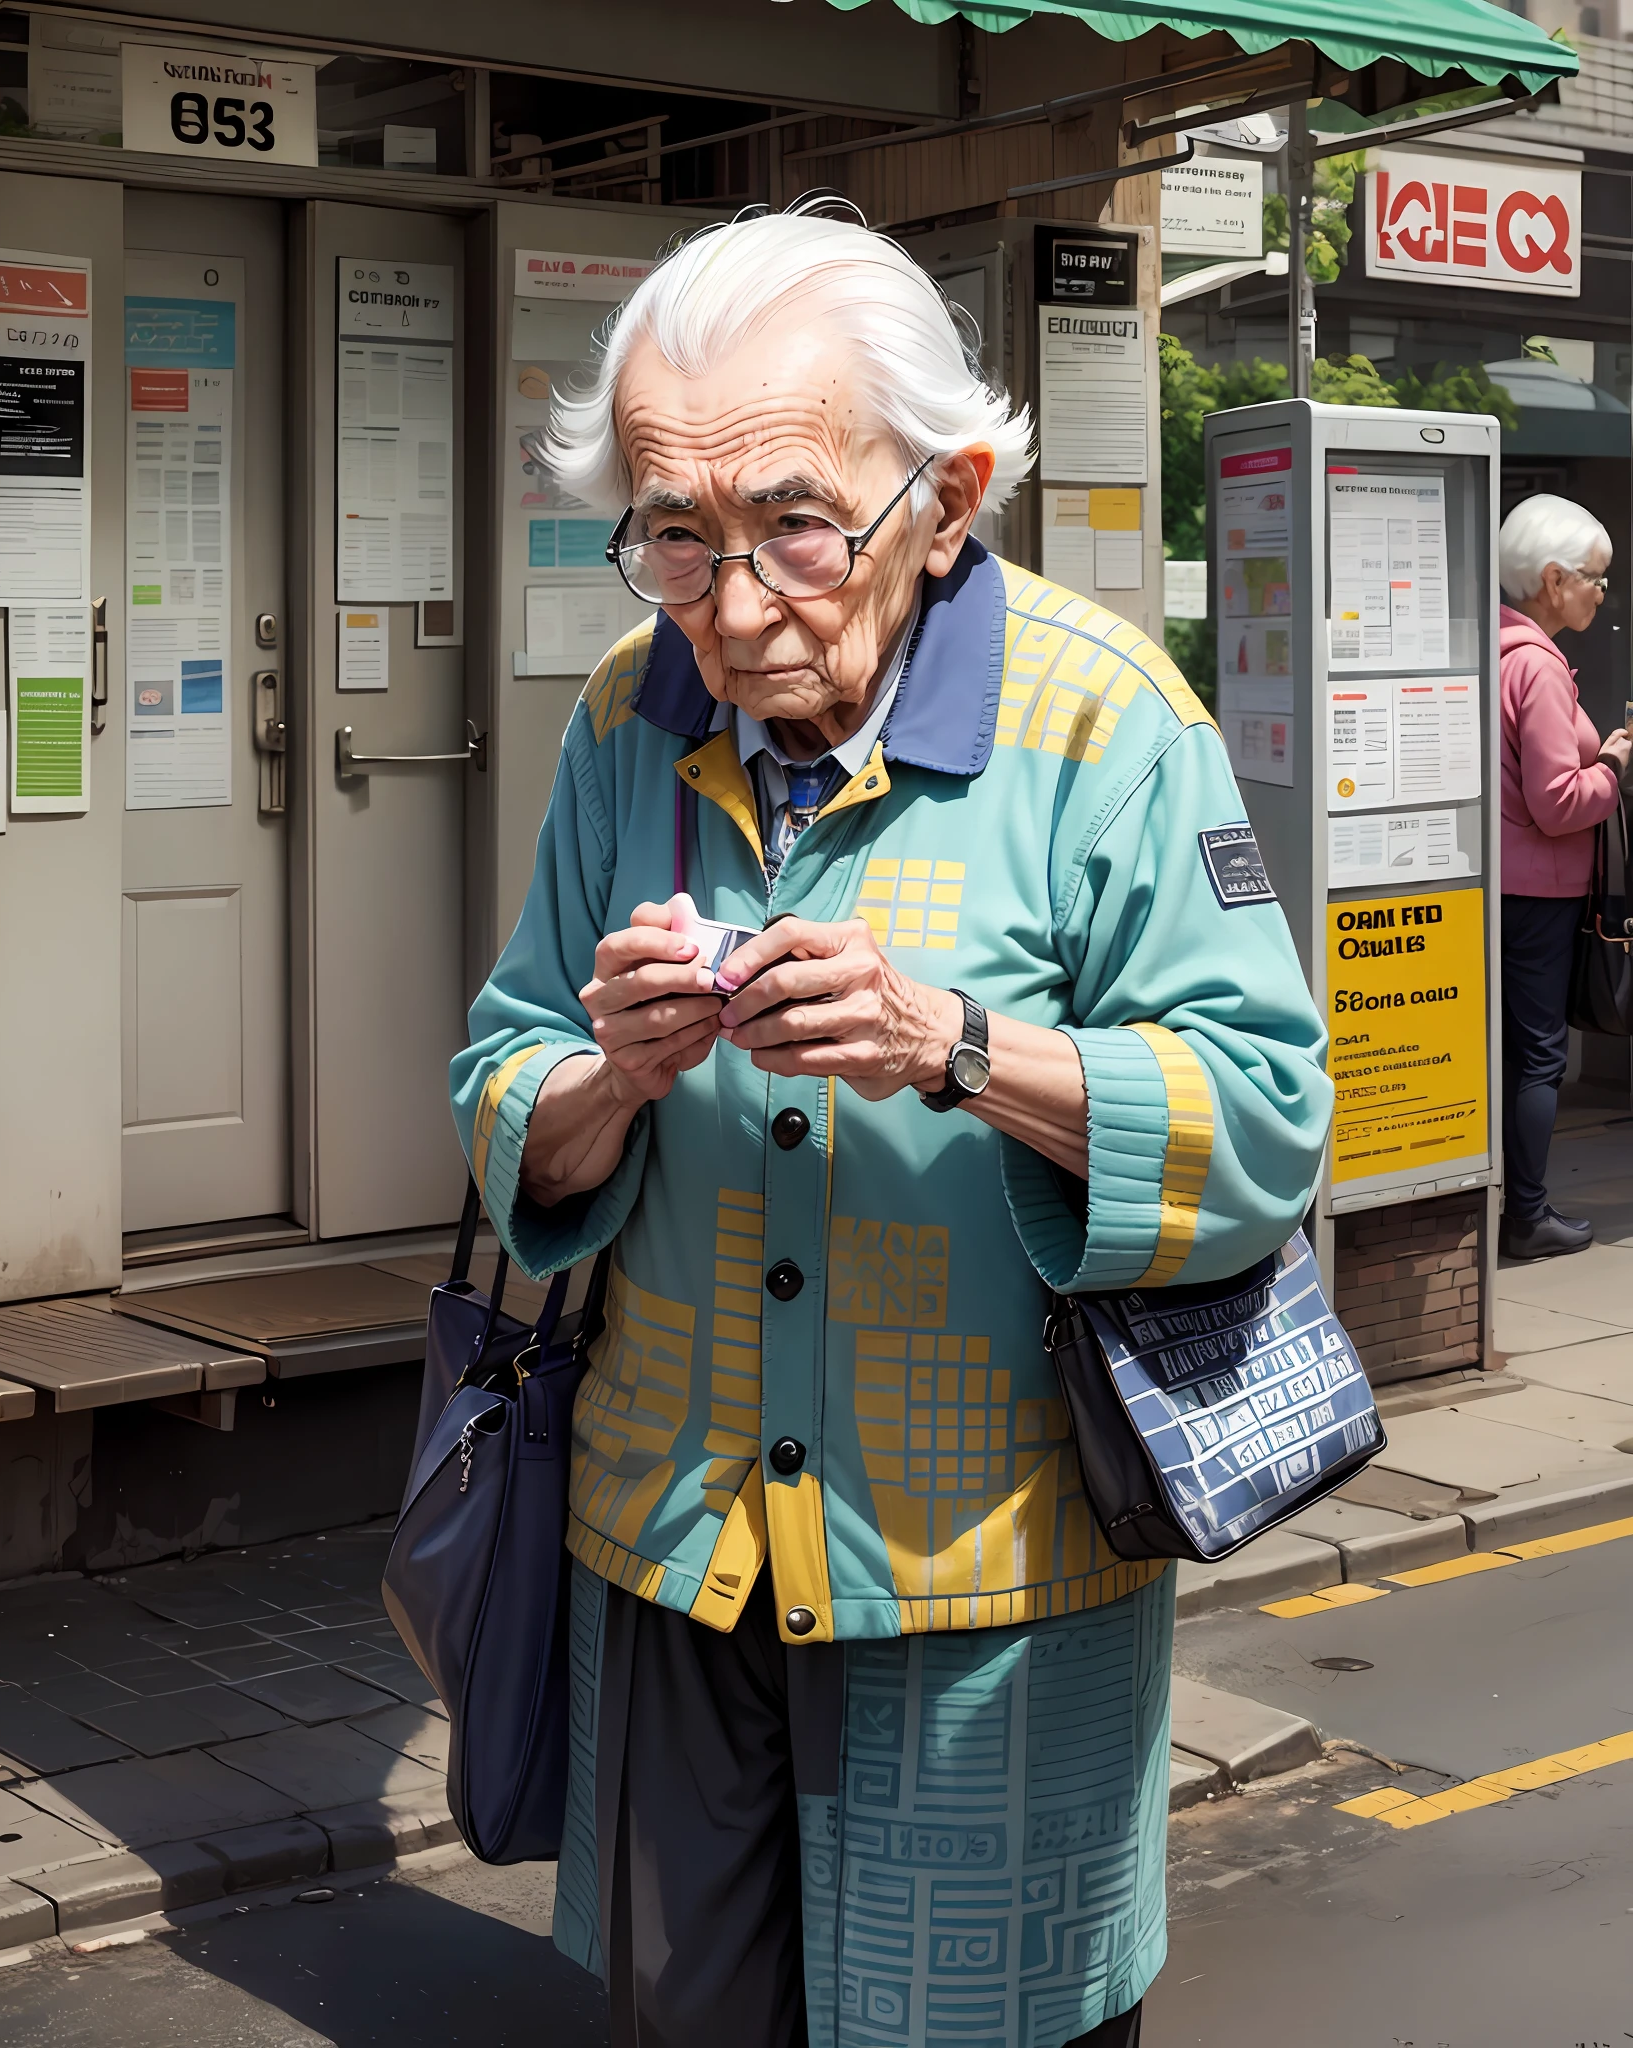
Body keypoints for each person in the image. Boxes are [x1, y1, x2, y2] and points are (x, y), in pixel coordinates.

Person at [450, 200, 1331, 2048]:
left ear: (950, 491)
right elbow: (498, 1078)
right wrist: (608, 1075)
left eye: (791, 522)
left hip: (988, 1583)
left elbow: (1262, 1124)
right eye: (671, 537)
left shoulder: (1109, 728)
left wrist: (957, 1044)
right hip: (670, 1558)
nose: (733, 601)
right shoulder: (624, 717)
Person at [1497, 494, 1631, 1262]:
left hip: (1505, 886)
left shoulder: (1494, 650)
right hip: (1539, 893)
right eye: (1594, 578)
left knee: (1518, 1051)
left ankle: (1516, 1202)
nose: (1601, 593)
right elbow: (1558, 804)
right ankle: (1529, 1214)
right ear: (1553, 579)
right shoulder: (1540, 671)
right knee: (1540, 1054)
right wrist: (1612, 764)